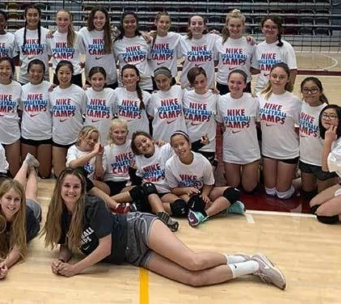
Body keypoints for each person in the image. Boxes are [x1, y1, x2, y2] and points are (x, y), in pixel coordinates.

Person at [43, 169, 286, 290]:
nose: (71, 191)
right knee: (193, 280)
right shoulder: (59, 214)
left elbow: (105, 247)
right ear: (59, 189)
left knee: (193, 261)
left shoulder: (92, 205)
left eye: (76, 186)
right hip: (133, 254)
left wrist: (74, 269)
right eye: (67, 186)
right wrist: (62, 261)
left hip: (139, 229)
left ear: (82, 190)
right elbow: (66, 244)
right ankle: (253, 265)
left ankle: (248, 259)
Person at [165, 131, 245, 227]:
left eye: (182, 144)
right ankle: (225, 207)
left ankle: (203, 215)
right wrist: (186, 190)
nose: (180, 148)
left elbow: (209, 183)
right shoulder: (169, 164)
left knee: (234, 192)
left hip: (203, 190)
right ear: (173, 148)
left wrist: (204, 194)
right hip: (186, 194)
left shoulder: (203, 161)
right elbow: (173, 189)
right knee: (198, 203)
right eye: (175, 146)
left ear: (189, 144)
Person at [0, 157, 41, 280]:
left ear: (21, 201)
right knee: (13, 188)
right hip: (14, 206)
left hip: (29, 209)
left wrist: (5, 265)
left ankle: (33, 170)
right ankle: (25, 163)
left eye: (17, 200)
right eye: (8, 198)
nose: (12, 203)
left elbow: (18, 247)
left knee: (30, 194)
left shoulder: (27, 214)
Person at [298, 77, 341, 198]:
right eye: (306, 90)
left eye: (314, 90)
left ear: (321, 91)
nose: (309, 93)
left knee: (321, 199)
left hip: (323, 162)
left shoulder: (327, 110)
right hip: (305, 159)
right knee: (307, 193)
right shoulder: (301, 105)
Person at [258, 63, 302, 199]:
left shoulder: (294, 101)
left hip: (288, 151)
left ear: (288, 79)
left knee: (282, 194)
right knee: (270, 192)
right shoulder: (260, 97)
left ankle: (304, 181)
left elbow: (305, 124)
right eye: (274, 76)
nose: (277, 80)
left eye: (282, 77)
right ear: (269, 77)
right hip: (268, 151)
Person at [216, 70, 260, 194]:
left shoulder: (254, 100)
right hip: (231, 151)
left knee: (249, 188)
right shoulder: (221, 100)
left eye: (239, 83)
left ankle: (258, 172)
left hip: (250, 151)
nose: (235, 86)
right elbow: (220, 123)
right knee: (233, 187)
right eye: (232, 82)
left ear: (245, 85)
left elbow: (258, 122)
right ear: (227, 82)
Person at [0, 57, 23, 175]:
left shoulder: (18, 87)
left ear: (12, 71)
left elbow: (20, 110)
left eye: (8, 68)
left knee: (14, 172)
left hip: (12, 133)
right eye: (1, 68)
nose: (4, 71)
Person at [50, 61, 87, 177]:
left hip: (76, 138)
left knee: (77, 176)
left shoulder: (80, 92)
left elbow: (84, 114)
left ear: (72, 74)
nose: (64, 76)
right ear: (56, 74)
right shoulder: (51, 92)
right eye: (61, 73)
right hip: (59, 138)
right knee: (59, 176)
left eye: (68, 73)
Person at [20, 60, 54, 178]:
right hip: (27, 135)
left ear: (44, 73)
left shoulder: (50, 87)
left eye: (39, 71)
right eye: (33, 71)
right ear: (28, 72)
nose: (36, 74)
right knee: (28, 174)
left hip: (45, 135)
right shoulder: (22, 89)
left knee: (45, 174)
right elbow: (20, 110)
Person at [183, 67, 219, 167]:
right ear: (191, 83)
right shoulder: (185, 95)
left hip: (207, 144)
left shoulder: (215, 96)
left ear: (207, 79)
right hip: (189, 143)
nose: (200, 85)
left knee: (206, 178)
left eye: (202, 81)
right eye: (196, 82)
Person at [252, 15, 297, 93]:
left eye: (274, 27)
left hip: (278, 89)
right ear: (262, 29)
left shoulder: (286, 47)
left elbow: (292, 71)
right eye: (267, 26)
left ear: (278, 30)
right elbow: (256, 69)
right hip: (260, 89)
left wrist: (288, 90)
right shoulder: (258, 47)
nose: (270, 29)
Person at [215, 9, 255, 95]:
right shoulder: (218, 42)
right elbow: (214, 62)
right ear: (227, 26)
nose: (235, 28)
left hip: (243, 84)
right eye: (232, 25)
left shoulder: (250, 43)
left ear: (243, 26)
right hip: (223, 83)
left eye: (238, 26)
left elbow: (254, 67)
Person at [79, 7, 118, 88]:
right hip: (92, 78)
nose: (98, 20)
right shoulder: (84, 32)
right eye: (95, 18)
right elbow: (67, 33)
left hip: (110, 78)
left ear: (106, 19)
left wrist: (142, 33)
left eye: (101, 18)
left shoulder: (113, 32)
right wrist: (52, 33)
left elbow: (130, 34)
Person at [113, 11, 153, 91]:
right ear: (122, 24)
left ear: (137, 23)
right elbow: (112, 63)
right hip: (125, 84)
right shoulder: (116, 43)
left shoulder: (146, 39)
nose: (130, 24)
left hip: (145, 83)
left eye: (133, 21)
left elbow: (150, 59)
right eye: (126, 22)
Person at [147, 67, 186, 143]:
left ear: (170, 79)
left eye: (164, 80)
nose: (161, 84)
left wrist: (211, 91)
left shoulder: (179, 90)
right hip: (161, 138)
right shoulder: (153, 96)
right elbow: (151, 115)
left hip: (180, 136)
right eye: (158, 81)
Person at [180, 15, 220, 91]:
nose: (197, 26)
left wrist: (248, 38)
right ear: (189, 26)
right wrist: (150, 35)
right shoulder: (182, 40)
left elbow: (231, 39)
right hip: (188, 85)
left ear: (204, 26)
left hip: (207, 85)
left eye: (200, 23)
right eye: (194, 23)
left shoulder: (214, 38)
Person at [66, 126, 110, 194]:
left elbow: (99, 175)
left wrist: (98, 156)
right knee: (82, 181)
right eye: (89, 138)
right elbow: (72, 165)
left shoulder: (98, 152)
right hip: (74, 182)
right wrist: (93, 153)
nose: (92, 141)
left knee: (106, 189)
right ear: (81, 137)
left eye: (95, 140)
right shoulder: (73, 149)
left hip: (90, 183)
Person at [113, 64, 152, 137]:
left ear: (138, 77)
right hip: (122, 137)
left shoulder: (147, 96)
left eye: (132, 75)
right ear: (121, 79)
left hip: (140, 137)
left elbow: (152, 115)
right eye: (126, 76)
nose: (129, 78)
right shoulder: (116, 92)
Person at [147, 12, 184, 86]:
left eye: (167, 22)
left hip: (170, 77)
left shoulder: (176, 37)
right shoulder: (149, 38)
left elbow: (193, 38)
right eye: (161, 22)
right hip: (153, 78)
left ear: (170, 24)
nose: (164, 25)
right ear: (155, 22)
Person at [14, 5, 49, 84]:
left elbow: (50, 55)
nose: (32, 18)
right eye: (29, 15)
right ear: (25, 17)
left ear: (40, 17)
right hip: (24, 77)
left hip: (43, 77)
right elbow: (16, 55)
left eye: (35, 15)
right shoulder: (18, 34)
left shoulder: (47, 33)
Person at [48, 9, 83, 86]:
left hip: (75, 74)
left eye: (66, 19)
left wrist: (83, 64)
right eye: (59, 19)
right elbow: (49, 55)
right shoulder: (51, 36)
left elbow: (86, 52)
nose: (62, 22)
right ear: (55, 20)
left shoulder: (78, 36)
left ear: (70, 21)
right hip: (58, 75)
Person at [101, 118, 135, 196]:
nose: (120, 135)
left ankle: (110, 201)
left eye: (123, 132)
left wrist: (158, 143)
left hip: (127, 183)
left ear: (127, 132)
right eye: (116, 132)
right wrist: (99, 156)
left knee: (142, 189)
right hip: (109, 183)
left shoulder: (133, 144)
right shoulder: (106, 149)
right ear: (111, 133)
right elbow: (100, 174)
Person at [84, 67, 116, 144]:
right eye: (94, 79)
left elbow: (115, 112)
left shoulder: (112, 93)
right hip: (89, 135)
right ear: (89, 80)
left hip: (106, 136)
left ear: (105, 80)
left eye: (100, 79)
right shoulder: (85, 93)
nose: (97, 82)